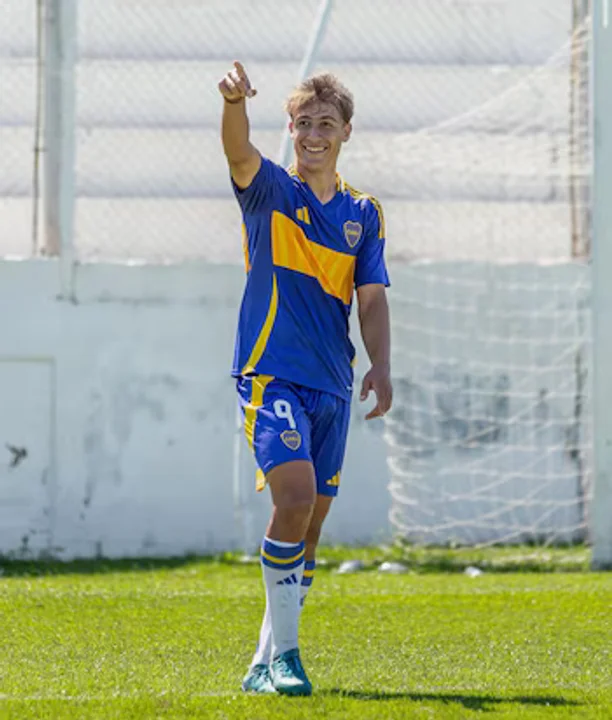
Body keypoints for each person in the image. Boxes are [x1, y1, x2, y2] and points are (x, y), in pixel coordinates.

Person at [218, 61, 392, 696]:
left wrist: (381, 364)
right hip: (271, 375)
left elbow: (370, 298)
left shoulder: (363, 213)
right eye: (304, 124)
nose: (314, 134)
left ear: (346, 131)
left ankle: (264, 661)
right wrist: (234, 104)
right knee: (292, 501)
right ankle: (289, 658)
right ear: (289, 129)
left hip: (332, 384)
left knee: (310, 527)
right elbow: (237, 151)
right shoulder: (269, 189)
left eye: (326, 123)